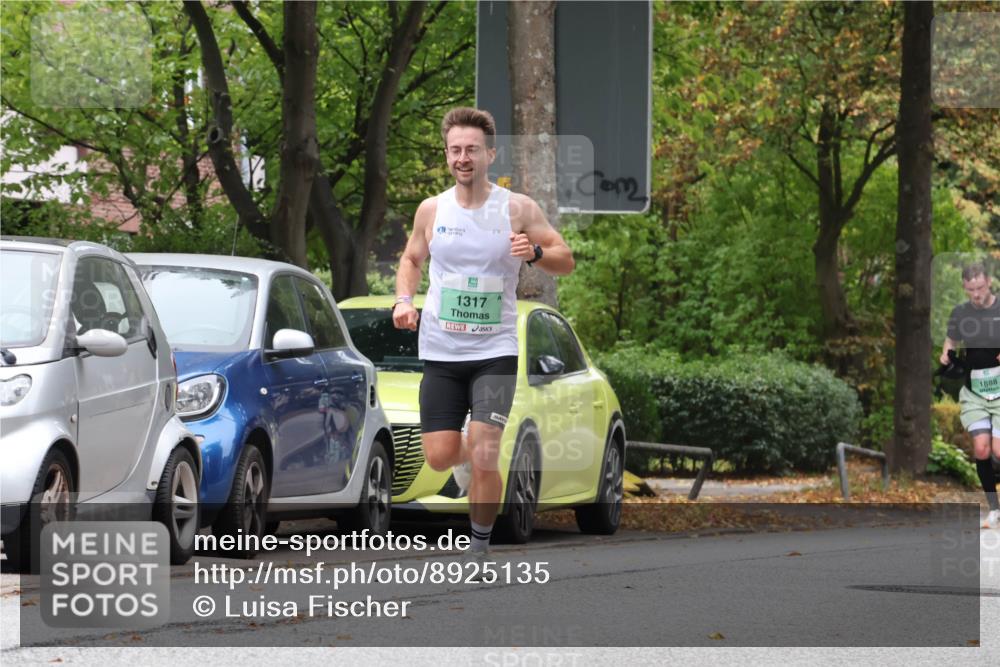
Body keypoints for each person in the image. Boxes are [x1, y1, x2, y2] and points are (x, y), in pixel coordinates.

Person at [392, 107, 574, 564]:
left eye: (472, 149)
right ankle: (463, 463)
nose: (463, 157)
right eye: (455, 149)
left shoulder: (516, 208)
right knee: (439, 456)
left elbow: (564, 258)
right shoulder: (432, 209)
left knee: (487, 448)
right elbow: (412, 259)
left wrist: (533, 252)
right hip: (441, 350)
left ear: (490, 153)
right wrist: (403, 300)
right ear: (447, 155)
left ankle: (478, 548)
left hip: (494, 351)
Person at [940, 262, 1000, 528]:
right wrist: (946, 354)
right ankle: (994, 509)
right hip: (975, 390)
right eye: (970, 290)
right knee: (981, 449)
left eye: (980, 287)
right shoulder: (960, 313)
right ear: (965, 288)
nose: (976, 294)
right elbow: (951, 340)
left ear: (989, 282)